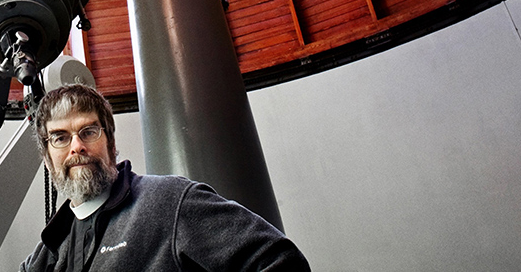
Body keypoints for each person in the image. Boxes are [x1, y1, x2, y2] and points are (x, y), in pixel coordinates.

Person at [20, 84, 311, 271]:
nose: (76, 146)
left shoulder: (168, 201)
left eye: (89, 131)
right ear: (47, 158)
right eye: (60, 137)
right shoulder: (44, 254)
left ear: (110, 143)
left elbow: (280, 261)